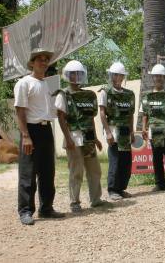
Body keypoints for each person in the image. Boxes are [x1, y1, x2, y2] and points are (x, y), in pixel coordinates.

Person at [14, 48, 65, 225]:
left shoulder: (46, 84)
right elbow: (20, 110)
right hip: (31, 130)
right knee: (28, 172)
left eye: (46, 60)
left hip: (46, 129)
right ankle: (26, 211)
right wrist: (25, 136)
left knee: (47, 171)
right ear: (31, 63)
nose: (43, 62)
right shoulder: (24, 83)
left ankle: (46, 208)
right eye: (39, 60)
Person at [52, 60, 110, 212]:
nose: (77, 76)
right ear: (67, 75)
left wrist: (96, 137)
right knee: (76, 171)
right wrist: (68, 138)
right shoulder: (63, 94)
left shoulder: (89, 95)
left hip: (89, 138)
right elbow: (61, 118)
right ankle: (75, 203)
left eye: (80, 73)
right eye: (74, 74)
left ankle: (96, 200)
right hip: (74, 138)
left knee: (95, 170)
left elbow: (90, 118)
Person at [99, 62, 135, 201]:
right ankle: (113, 189)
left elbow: (131, 114)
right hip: (114, 131)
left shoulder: (129, 94)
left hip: (126, 132)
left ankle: (121, 188)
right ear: (111, 76)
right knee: (115, 161)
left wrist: (132, 133)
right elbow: (102, 112)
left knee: (126, 162)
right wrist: (108, 132)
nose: (118, 77)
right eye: (116, 75)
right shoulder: (106, 91)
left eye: (121, 75)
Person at [141, 64, 165, 193]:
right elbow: (144, 113)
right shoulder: (147, 95)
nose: (158, 78)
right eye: (156, 76)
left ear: (164, 78)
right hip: (154, 131)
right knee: (156, 158)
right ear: (152, 78)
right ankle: (159, 183)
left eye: (161, 76)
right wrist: (144, 129)